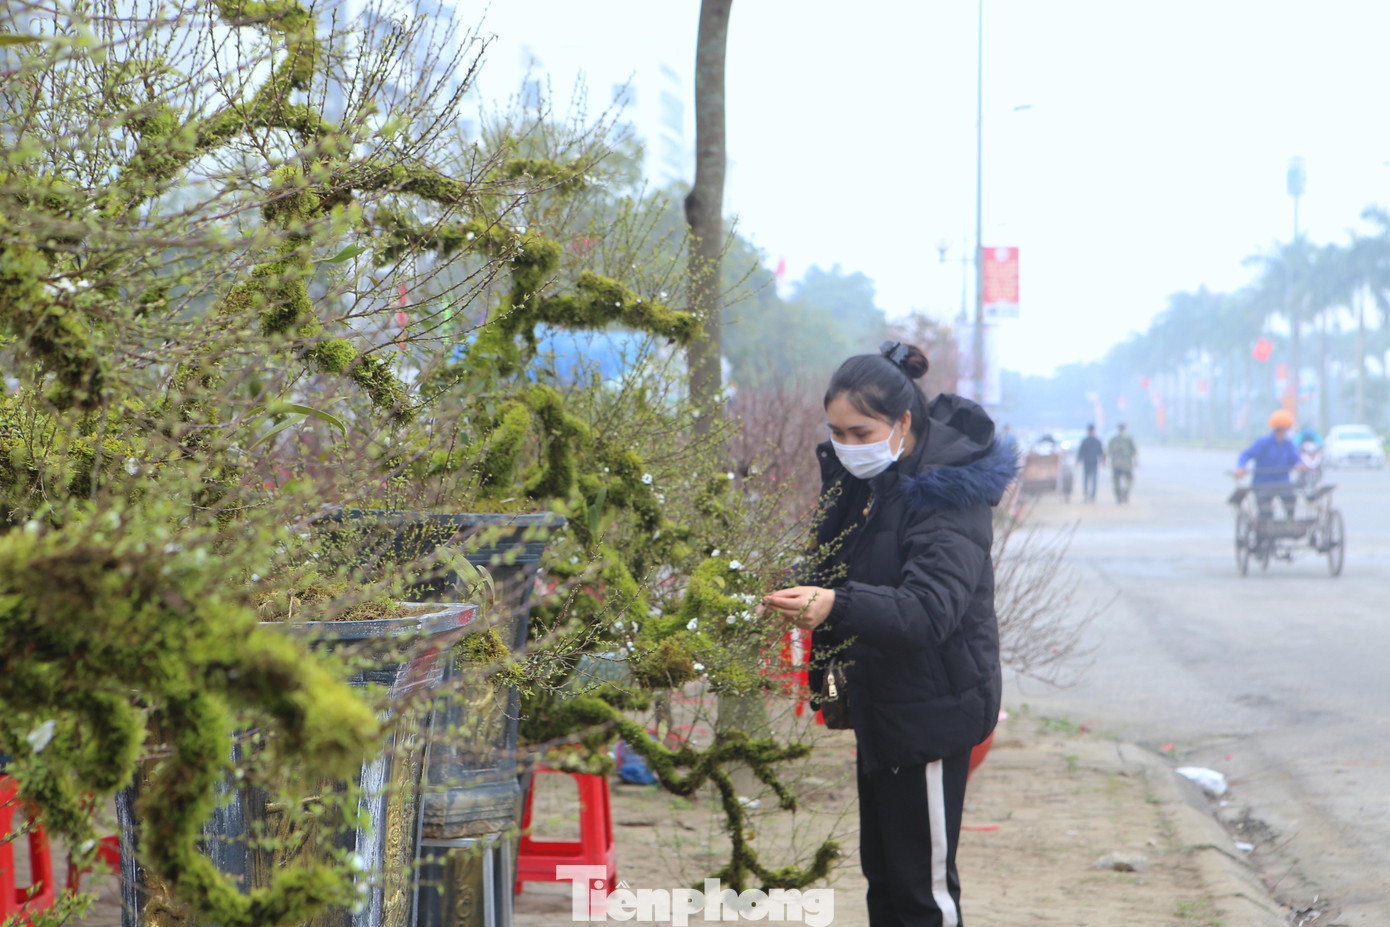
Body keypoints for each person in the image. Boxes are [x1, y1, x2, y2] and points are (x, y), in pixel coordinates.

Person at [762, 340, 1017, 927]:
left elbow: (929, 610)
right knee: (886, 879)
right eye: (837, 433)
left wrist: (836, 605)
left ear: (902, 422)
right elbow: (845, 569)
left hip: (929, 715)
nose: (846, 446)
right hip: (886, 706)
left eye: (860, 432)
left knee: (922, 894)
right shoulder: (871, 482)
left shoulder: (946, 494)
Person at [1235, 409, 1304, 520]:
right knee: (1266, 513)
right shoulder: (1263, 443)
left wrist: (1300, 464)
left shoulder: (1288, 444)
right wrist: (1241, 467)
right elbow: (1246, 454)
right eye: (1288, 429)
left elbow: (1295, 458)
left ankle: (1289, 522)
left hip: (1282, 483)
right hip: (1263, 483)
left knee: (1291, 499)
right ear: (1281, 429)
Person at [1107, 423, 1138, 503]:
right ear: (1125, 429)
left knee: (1116, 481)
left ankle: (1118, 497)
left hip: (1116, 464)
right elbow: (1134, 451)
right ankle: (1126, 491)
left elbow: (1108, 452)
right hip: (1127, 464)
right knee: (1130, 479)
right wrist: (1136, 461)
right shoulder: (1129, 439)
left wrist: (1104, 461)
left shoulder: (1113, 439)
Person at [1076, 424, 1105, 502]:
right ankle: (1092, 496)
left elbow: (1081, 452)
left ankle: (1086, 495)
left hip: (1087, 462)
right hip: (1094, 462)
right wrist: (1103, 461)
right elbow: (1101, 452)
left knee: (1086, 480)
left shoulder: (1085, 441)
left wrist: (1078, 461)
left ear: (1088, 431)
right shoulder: (1097, 441)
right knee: (1093, 480)